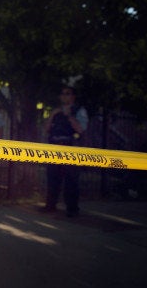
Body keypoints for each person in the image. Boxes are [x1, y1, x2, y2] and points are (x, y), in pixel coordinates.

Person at [41, 86, 88, 217]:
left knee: (71, 180)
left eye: (67, 94)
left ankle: (72, 209)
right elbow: (46, 129)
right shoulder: (56, 111)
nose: (64, 96)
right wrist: (52, 116)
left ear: (73, 97)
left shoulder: (79, 111)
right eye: (62, 94)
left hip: (70, 147)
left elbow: (81, 129)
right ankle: (50, 205)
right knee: (52, 177)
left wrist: (69, 116)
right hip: (55, 147)